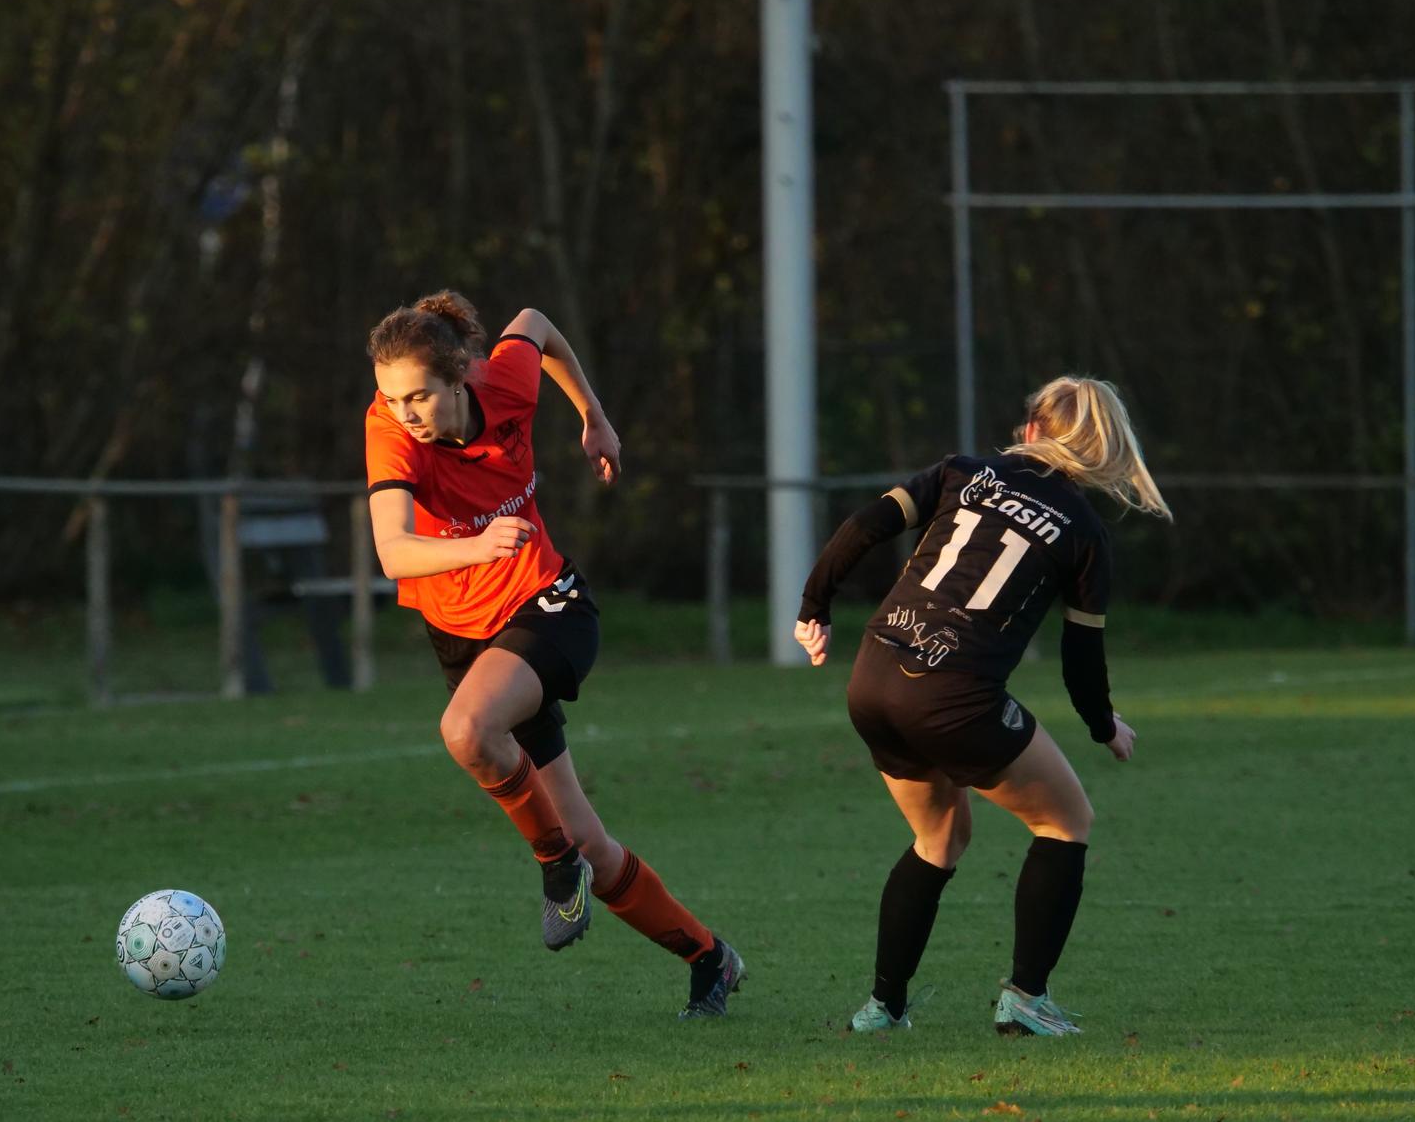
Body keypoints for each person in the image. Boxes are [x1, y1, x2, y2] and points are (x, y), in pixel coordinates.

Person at [363, 290, 744, 1018]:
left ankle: (552, 864)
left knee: (467, 731)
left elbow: (534, 323)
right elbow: (392, 551)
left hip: (548, 606)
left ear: (463, 376)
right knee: (592, 843)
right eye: (391, 398)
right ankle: (709, 956)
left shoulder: (504, 379)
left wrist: (593, 416)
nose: (404, 412)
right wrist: (477, 542)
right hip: (464, 633)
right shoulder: (390, 431)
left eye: (418, 395)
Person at [792, 375, 1172, 1037]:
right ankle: (1025, 997)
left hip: (873, 676)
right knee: (1066, 819)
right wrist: (1102, 724)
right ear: (1103, 447)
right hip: (952, 695)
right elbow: (1080, 660)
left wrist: (813, 606)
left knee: (938, 836)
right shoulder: (1082, 531)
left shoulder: (959, 471)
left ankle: (883, 1006)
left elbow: (864, 525)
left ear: (1030, 429)